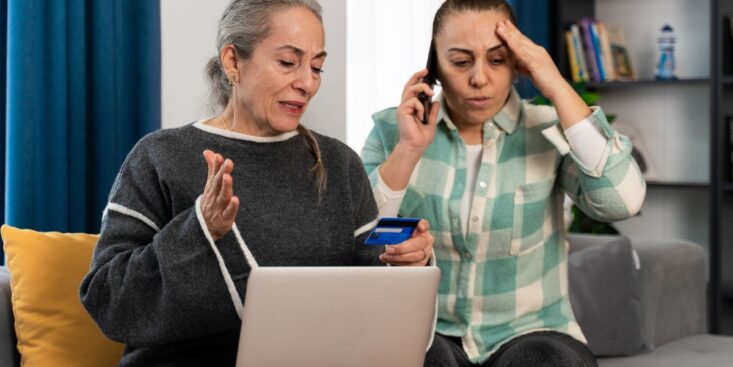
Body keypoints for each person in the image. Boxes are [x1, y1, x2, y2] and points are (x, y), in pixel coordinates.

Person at [80, 1, 434, 365]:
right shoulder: (158, 156)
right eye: (287, 62)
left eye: (317, 67)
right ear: (233, 61)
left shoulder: (340, 164)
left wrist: (405, 265)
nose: (308, 83)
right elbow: (109, 301)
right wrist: (198, 230)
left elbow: (373, 297)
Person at [361, 0, 646, 366]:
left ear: (517, 65)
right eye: (461, 62)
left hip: (532, 332)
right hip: (431, 330)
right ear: (434, 69)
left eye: (497, 60)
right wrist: (409, 149)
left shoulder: (550, 129)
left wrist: (556, 85)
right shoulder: (392, 130)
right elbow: (360, 240)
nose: (479, 78)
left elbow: (624, 201)